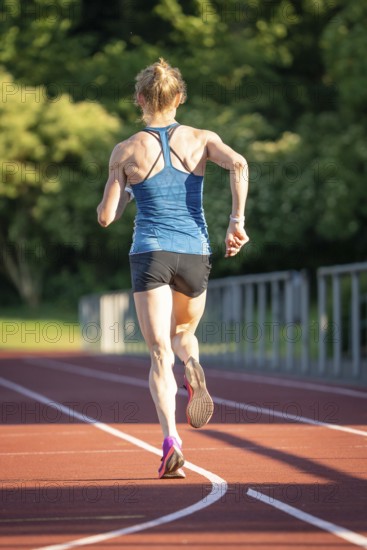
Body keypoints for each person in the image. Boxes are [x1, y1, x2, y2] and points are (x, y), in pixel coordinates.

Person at [97, 58, 249, 479]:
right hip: (194, 252)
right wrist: (236, 223)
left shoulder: (126, 149)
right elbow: (238, 164)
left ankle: (171, 444)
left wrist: (124, 190)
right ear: (179, 97)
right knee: (184, 335)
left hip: (150, 253)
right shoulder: (202, 138)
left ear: (140, 99)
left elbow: (107, 216)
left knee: (158, 351)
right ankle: (193, 366)